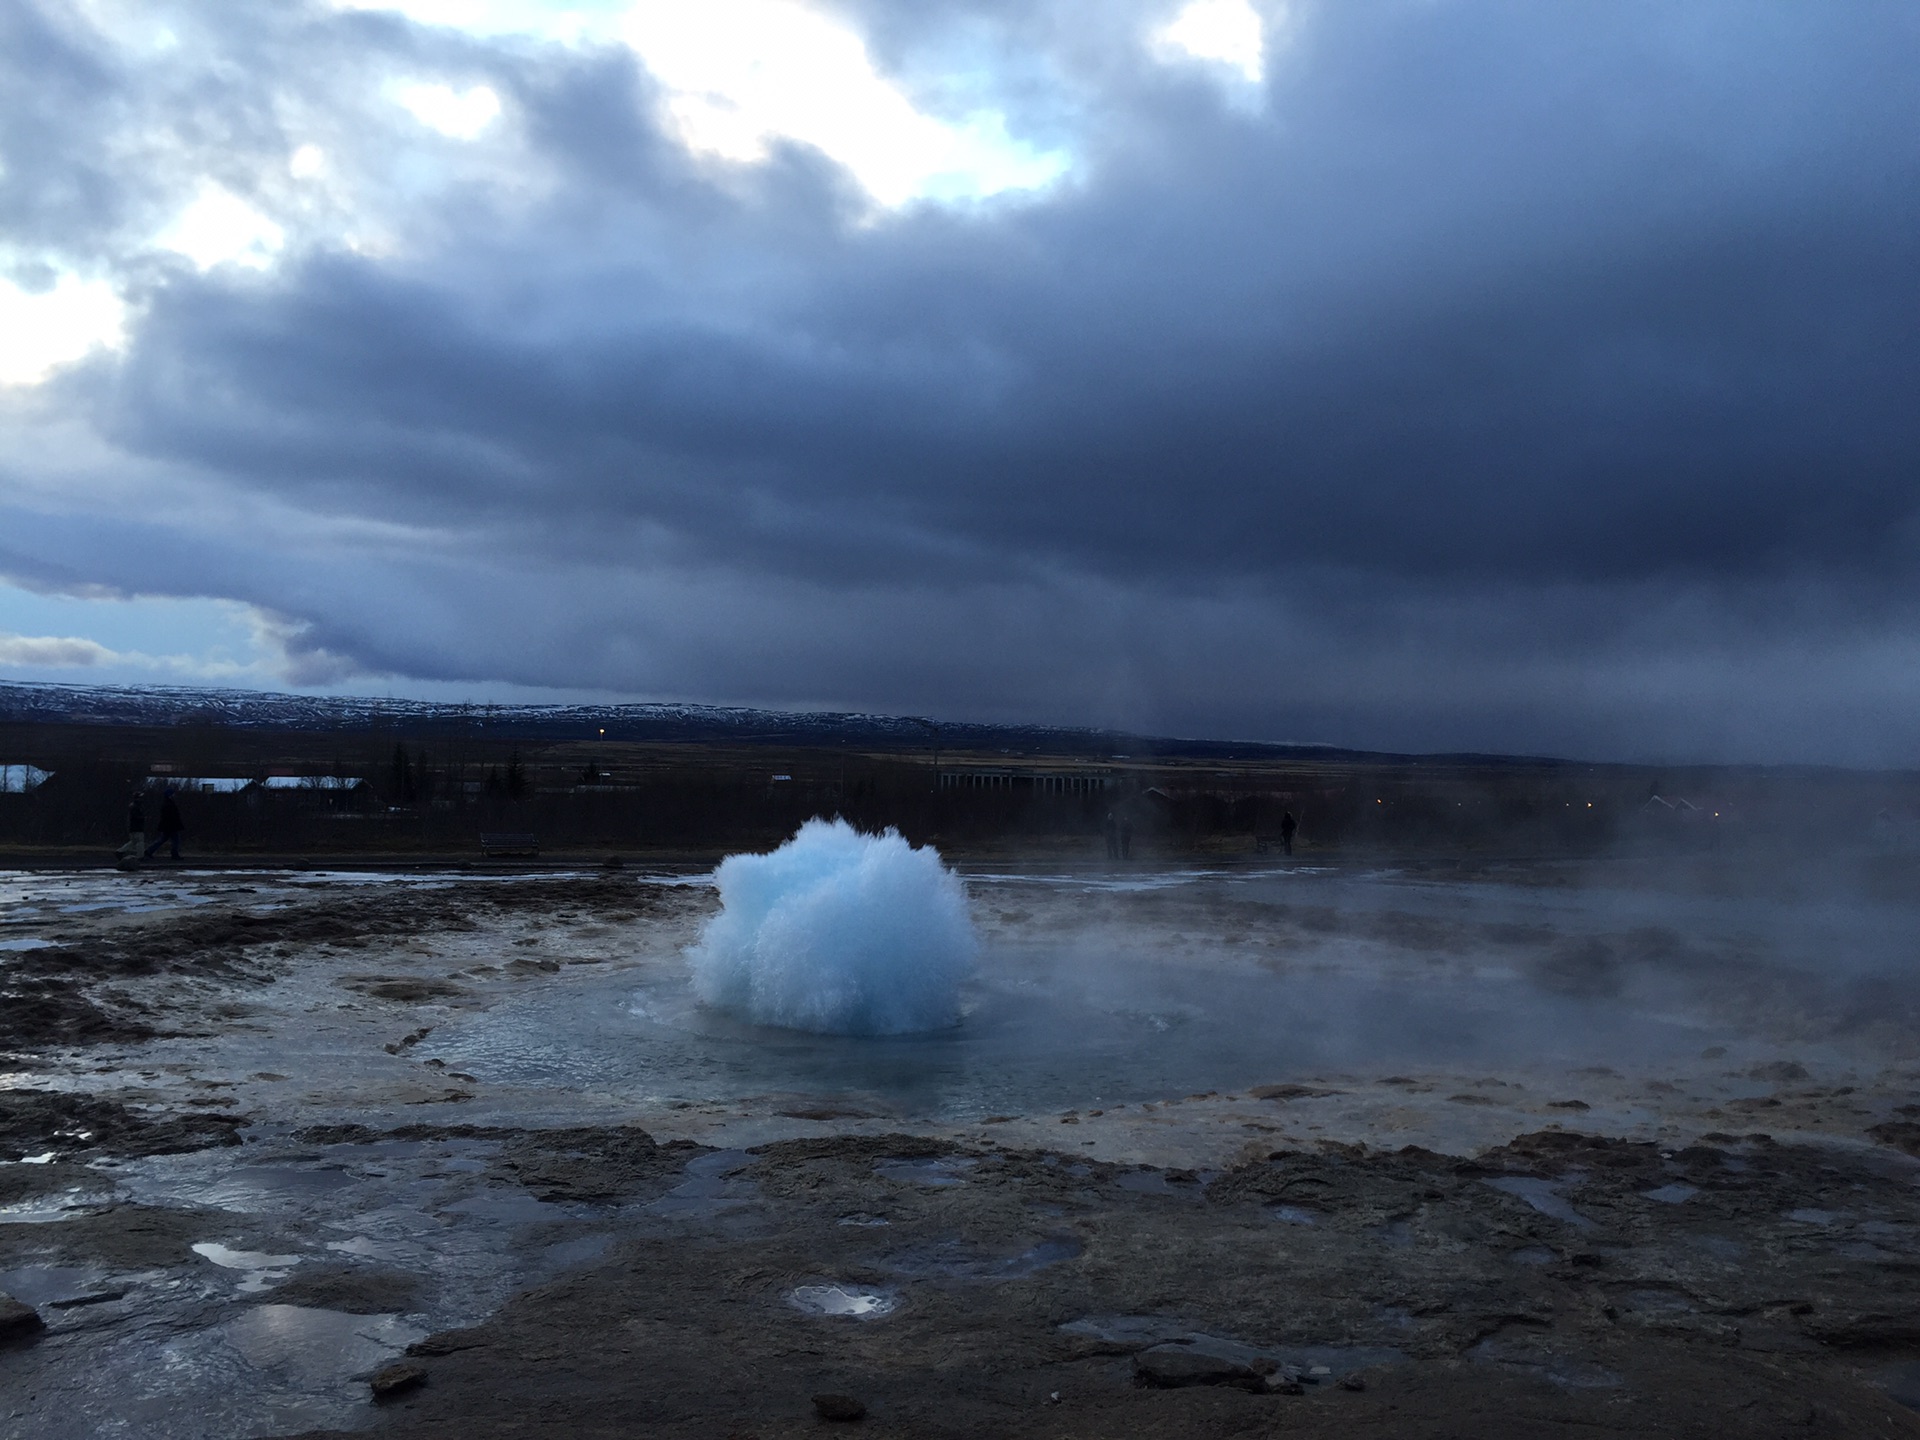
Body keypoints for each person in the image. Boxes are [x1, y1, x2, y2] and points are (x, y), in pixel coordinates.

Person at [144, 787, 184, 862]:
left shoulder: (167, 803)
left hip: (168, 826)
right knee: (176, 840)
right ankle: (174, 854)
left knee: (162, 839)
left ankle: (149, 851)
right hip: (171, 826)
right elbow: (172, 816)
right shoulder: (169, 804)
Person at [118, 793, 147, 864]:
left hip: (133, 827)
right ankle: (140, 856)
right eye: (140, 797)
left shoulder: (132, 806)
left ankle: (120, 851)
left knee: (133, 841)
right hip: (137, 827)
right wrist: (143, 818)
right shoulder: (136, 807)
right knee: (140, 842)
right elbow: (136, 817)